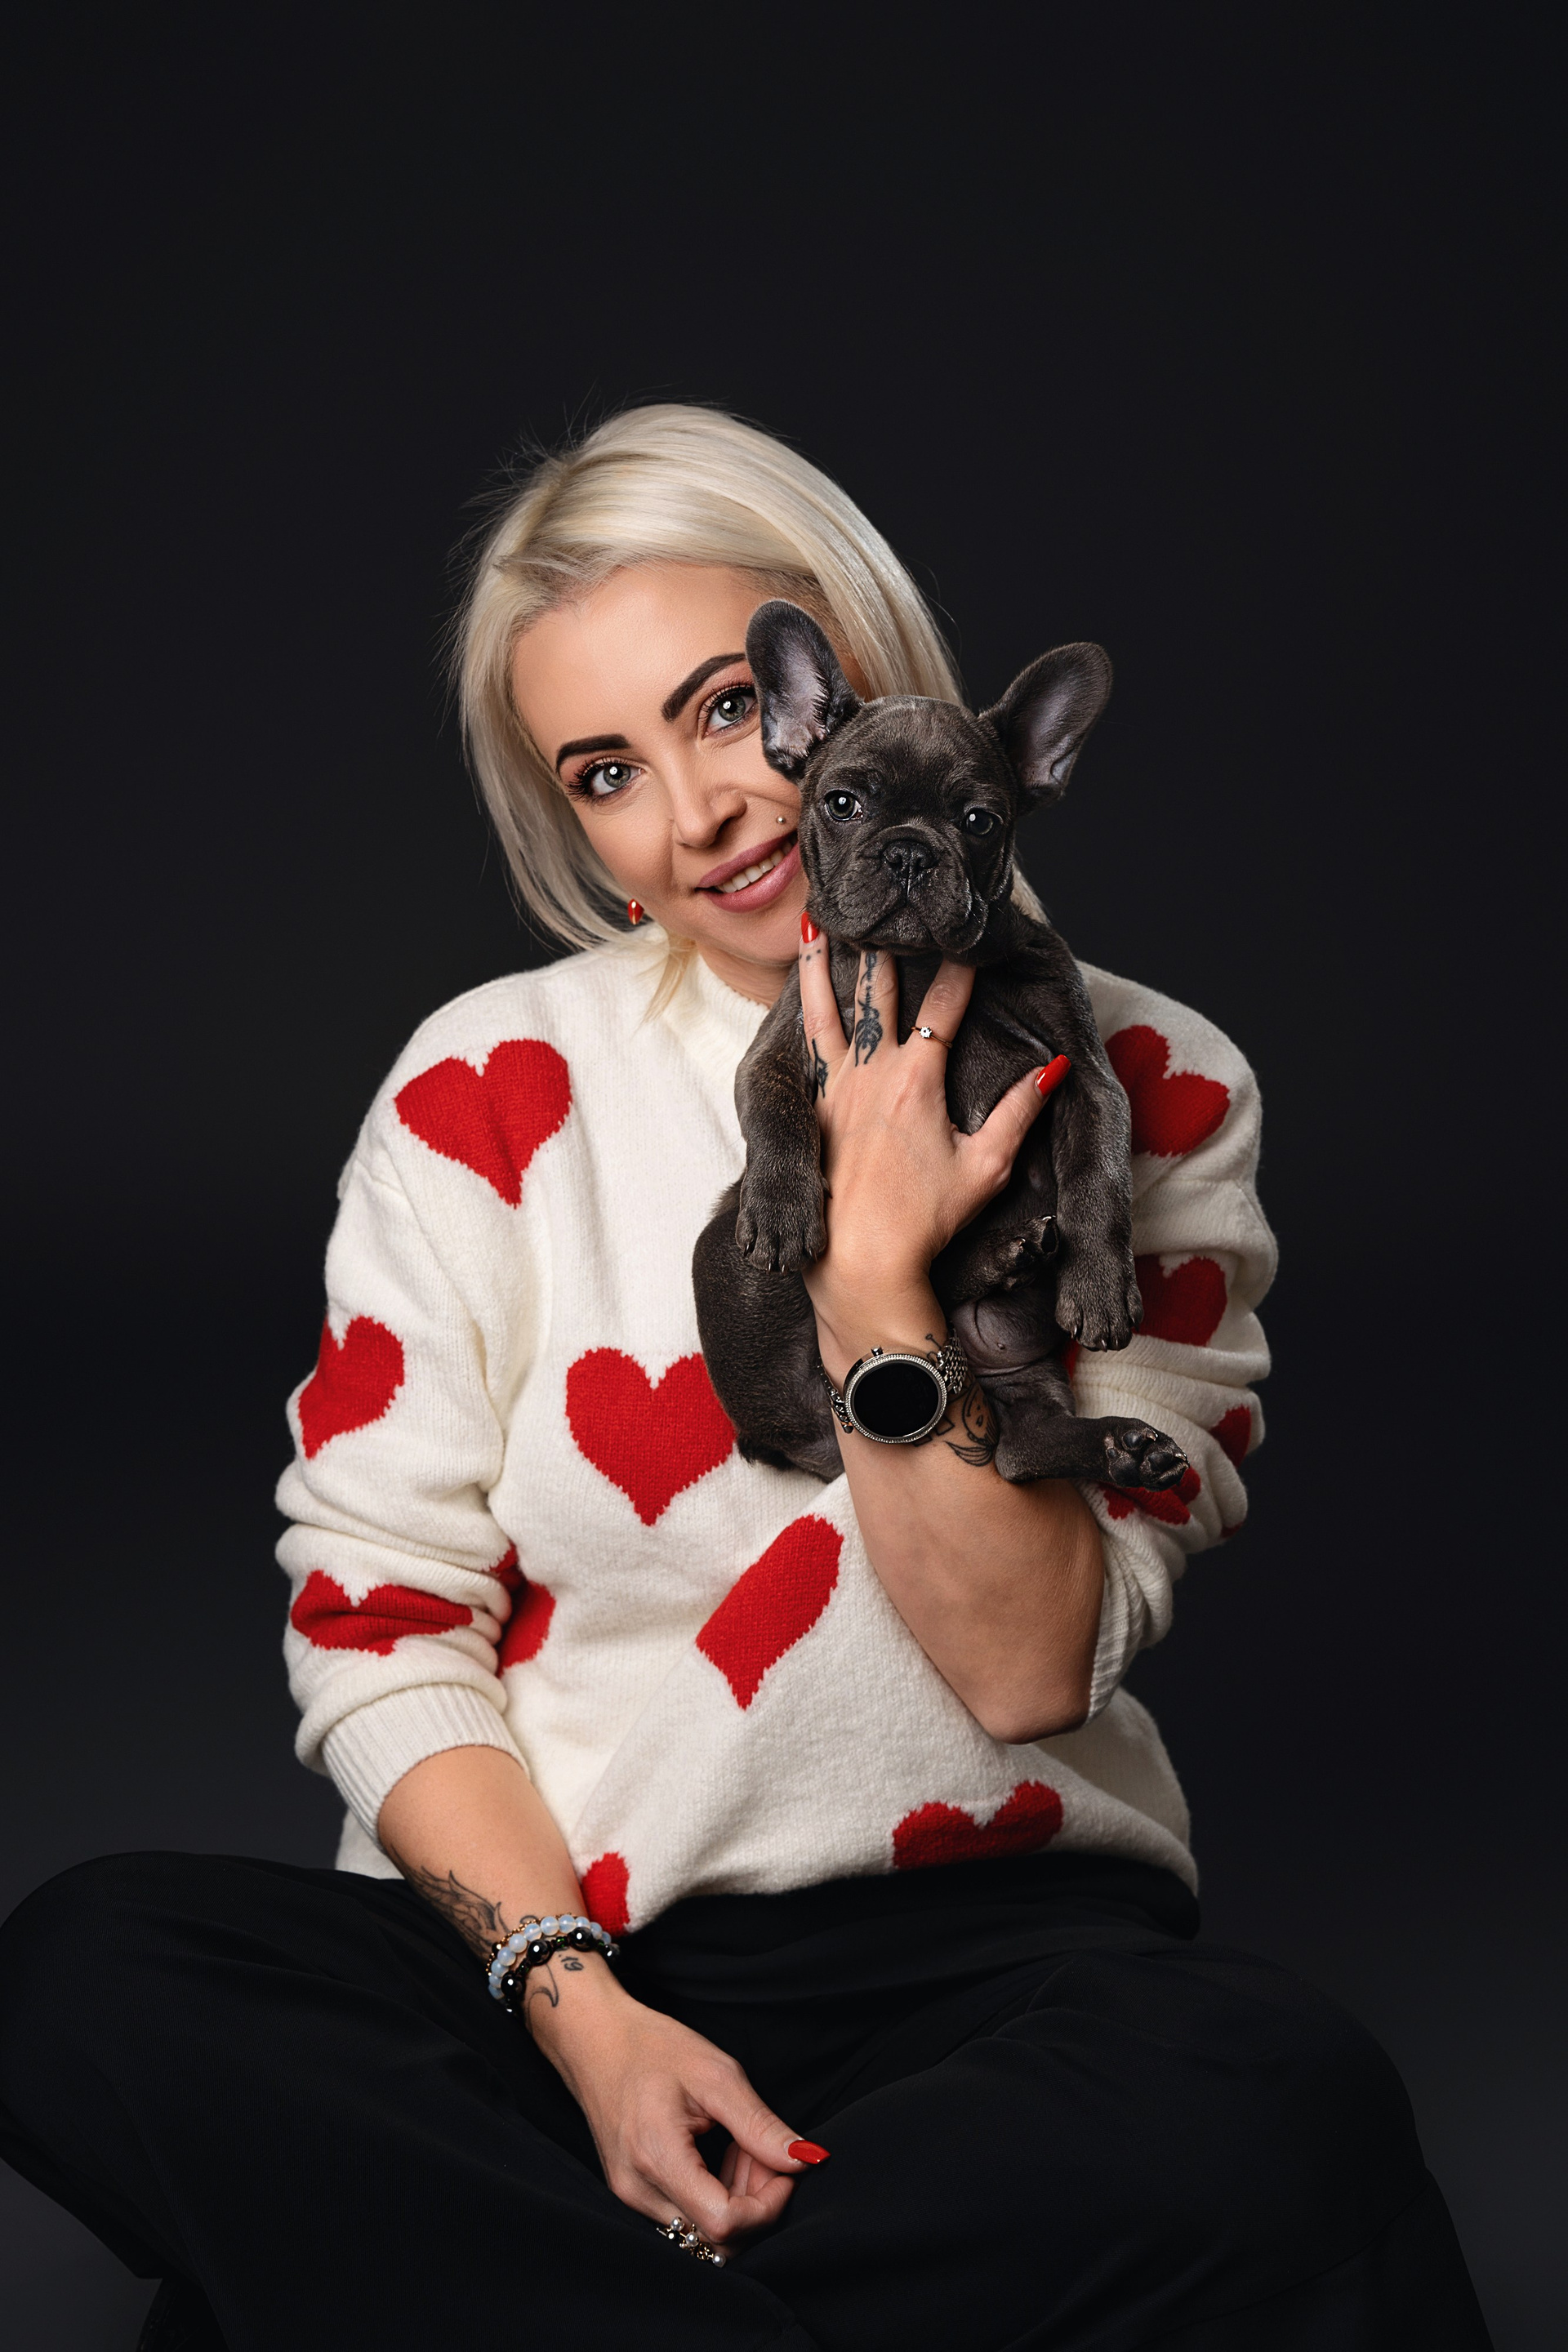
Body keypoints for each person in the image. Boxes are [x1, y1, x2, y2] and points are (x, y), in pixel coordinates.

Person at [0, 406, 1490, 2350]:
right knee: (87, 1969)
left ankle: (474, 2286)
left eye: (727, 709)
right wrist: (588, 2020)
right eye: (609, 772)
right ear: (582, 835)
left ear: (857, 679)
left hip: (990, 1965)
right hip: (550, 1957)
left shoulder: (1155, 1085)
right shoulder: (484, 1091)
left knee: (1281, 2107)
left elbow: (1027, 1666)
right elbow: (381, 1621)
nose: (708, 808)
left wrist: (875, 1275)